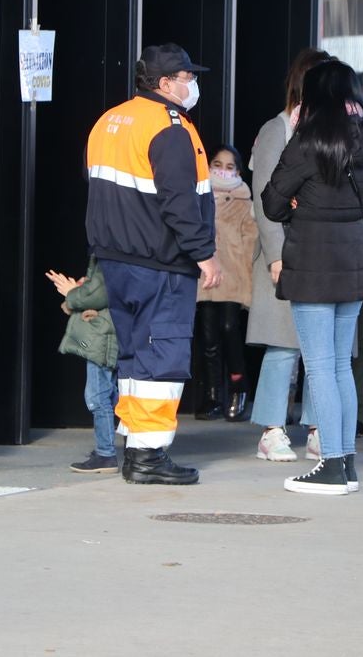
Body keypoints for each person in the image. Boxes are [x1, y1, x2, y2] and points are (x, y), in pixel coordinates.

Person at [84, 43, 221, 485]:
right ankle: (149, 457)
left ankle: (136, 451)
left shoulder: (109, 120)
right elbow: (180, 203)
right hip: (161, 262)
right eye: (187, 77)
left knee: (135, 357)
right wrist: (204, 253)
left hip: (116, 259)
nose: (192, 84)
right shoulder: (171, 129)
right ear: (165, 83)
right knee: (161, 359)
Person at [262, 59, 363, 495]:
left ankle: (329, 465)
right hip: (353, 259)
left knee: (320, 367)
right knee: (340, 367)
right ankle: (344, 461)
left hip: (312, 262)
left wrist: (299, 203)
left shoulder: (307, 141)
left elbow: (273, 202)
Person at [248, 47, 331, 463]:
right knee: (283, 346)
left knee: (324, 347)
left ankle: (319, 426)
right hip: (284, 251)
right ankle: (271, 429)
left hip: (325, 253)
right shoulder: (276, 130)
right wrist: (276, 255)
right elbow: (265, 199)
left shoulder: (337, 130)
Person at [194, 144, 257, 422]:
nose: (222, 171)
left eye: (230, 167)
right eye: (217, 164)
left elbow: (250, 241)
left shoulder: (245, 200)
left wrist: (248, 279)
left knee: (230, 330)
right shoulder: (198, 195)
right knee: (208, 337)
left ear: (239, 171)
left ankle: (238, 389)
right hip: (206, 274)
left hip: (233, 273)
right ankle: (212, 395)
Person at [45, 259, 119, 473]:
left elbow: (97, 295)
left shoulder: (108, 254)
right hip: (103, 333)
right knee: (107, 393)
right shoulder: (111, 252)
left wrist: (73, 294)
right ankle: (118, 447)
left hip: (102, 335)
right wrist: (79, 289)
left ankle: (106, 454)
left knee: (98, 396)